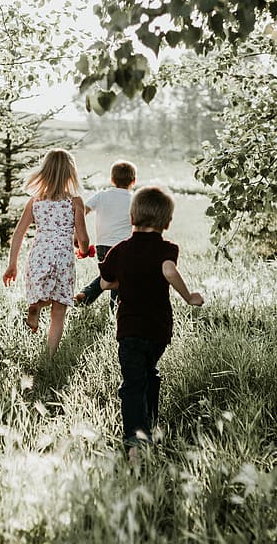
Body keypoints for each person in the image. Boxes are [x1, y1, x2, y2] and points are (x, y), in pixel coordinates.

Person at [98, 186, 204, 461]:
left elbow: (106, 282)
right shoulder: (167, 248)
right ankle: (151, 424)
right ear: (166, 222)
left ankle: (136, 441)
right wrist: (189, 296)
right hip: (158, 331)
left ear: (132, 215)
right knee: (149, 373)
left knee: (132, 383)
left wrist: (124, 280)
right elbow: (167, 269)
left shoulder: (121, 250)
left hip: (130, 329)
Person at [3, 148, 90, 357]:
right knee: (59, 309)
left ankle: (36, 305)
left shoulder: (35, 201)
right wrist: (84, 250)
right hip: (62, 256)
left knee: (42, 292)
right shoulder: (75, 201)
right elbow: (83, 238)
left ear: (45, 171)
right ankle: (50, 356)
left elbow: (18, 234)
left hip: (39, 254)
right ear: (71, 173)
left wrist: (12, 264)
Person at [74, 160, 137, 309]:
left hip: (102, 245)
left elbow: (82, 210)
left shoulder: (101, 195)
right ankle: (115, 309)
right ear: (133, 181)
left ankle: (85, 296)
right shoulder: (133, 200)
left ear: (112, 180)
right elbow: (138, 221)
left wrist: (78, 231)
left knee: (110, 275)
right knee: (119, 277)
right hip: (123, 246)